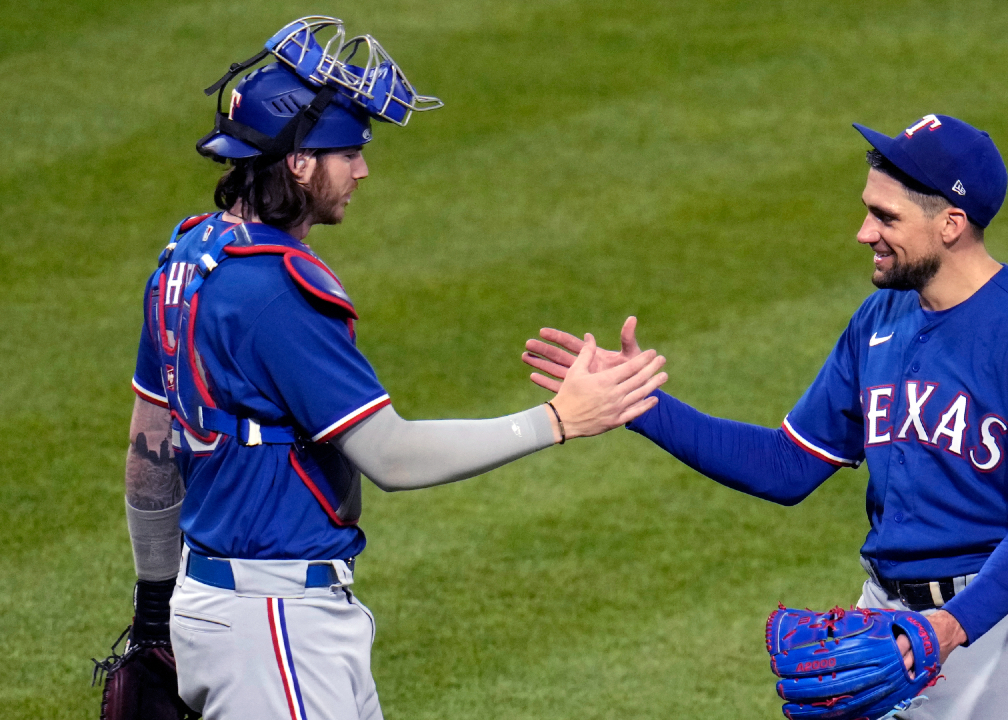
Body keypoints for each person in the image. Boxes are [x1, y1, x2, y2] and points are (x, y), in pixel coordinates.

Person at [117, 17, 667, 720]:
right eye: (349, 152)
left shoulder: (187, 259)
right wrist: (558, 420)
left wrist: (156, 609)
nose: (363, 171)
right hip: (273, 622)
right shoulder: (272, 292)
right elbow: (391, 456)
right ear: (298, 161)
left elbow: (150, 447)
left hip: (226, 603)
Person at [524, 114, 1008, 719]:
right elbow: (787, 465)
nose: (863, 232)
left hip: (999, 628)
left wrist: (952, 627)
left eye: (886, 217)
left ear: (951, 224)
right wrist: (638, 404)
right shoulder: (880, 320)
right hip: (883, 627)